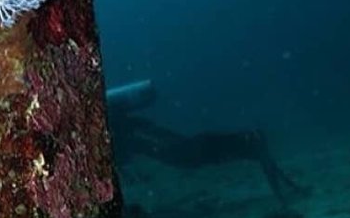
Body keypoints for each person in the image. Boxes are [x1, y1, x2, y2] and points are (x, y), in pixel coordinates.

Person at [105, 80, 308, 201]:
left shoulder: (112, 127)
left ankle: (245, 142)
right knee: (180, 151)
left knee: (181, 153)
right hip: (142, 134)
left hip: (141, 136)